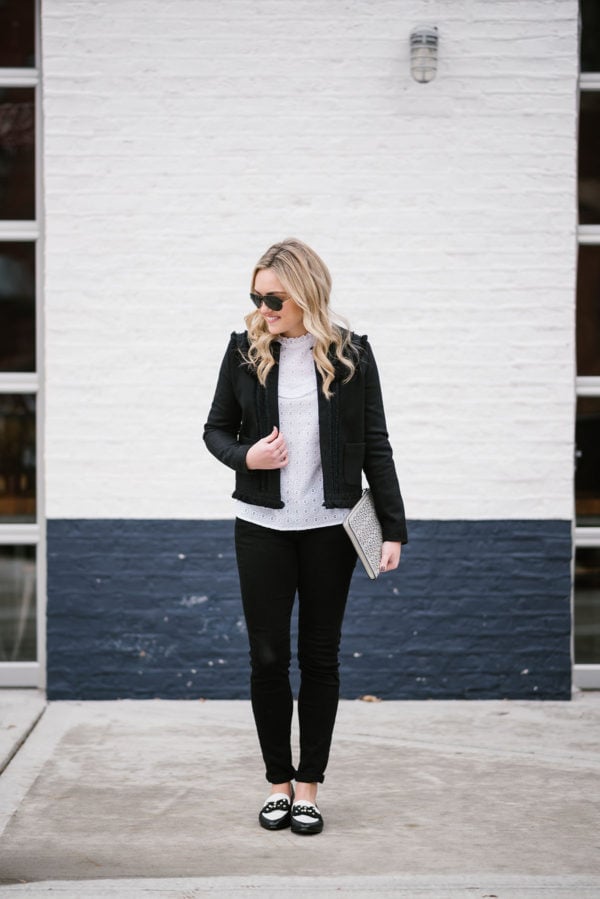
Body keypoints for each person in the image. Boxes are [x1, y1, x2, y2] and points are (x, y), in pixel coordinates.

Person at [203, 238, 407, 835]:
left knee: (319, 657)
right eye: (256, 297)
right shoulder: (243, 351)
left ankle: (309, 788)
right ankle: (278, 782)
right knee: (267, 658)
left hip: (329, 531)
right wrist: (248, 457)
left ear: (306, 294)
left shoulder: (351, 354)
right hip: (261, 528)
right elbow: (215, 430)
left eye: (275, 299)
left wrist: (393, 528)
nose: (263, 309)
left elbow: (376, 443)